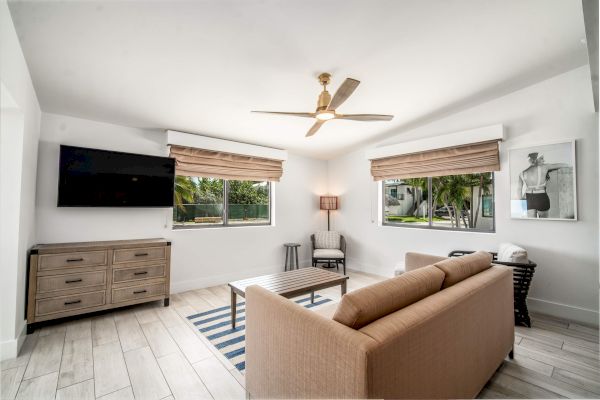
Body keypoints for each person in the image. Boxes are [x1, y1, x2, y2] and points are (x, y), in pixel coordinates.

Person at [517, 152, 570, 218]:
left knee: (531, 223)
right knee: (544, 222)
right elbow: (564, 164)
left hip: (528, 198)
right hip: (541, 197)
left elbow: (519, 189)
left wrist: (521, 203)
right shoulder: (544, 167)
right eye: (541, 158)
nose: (544, 160)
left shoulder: (522, 173)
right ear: (536, 159)